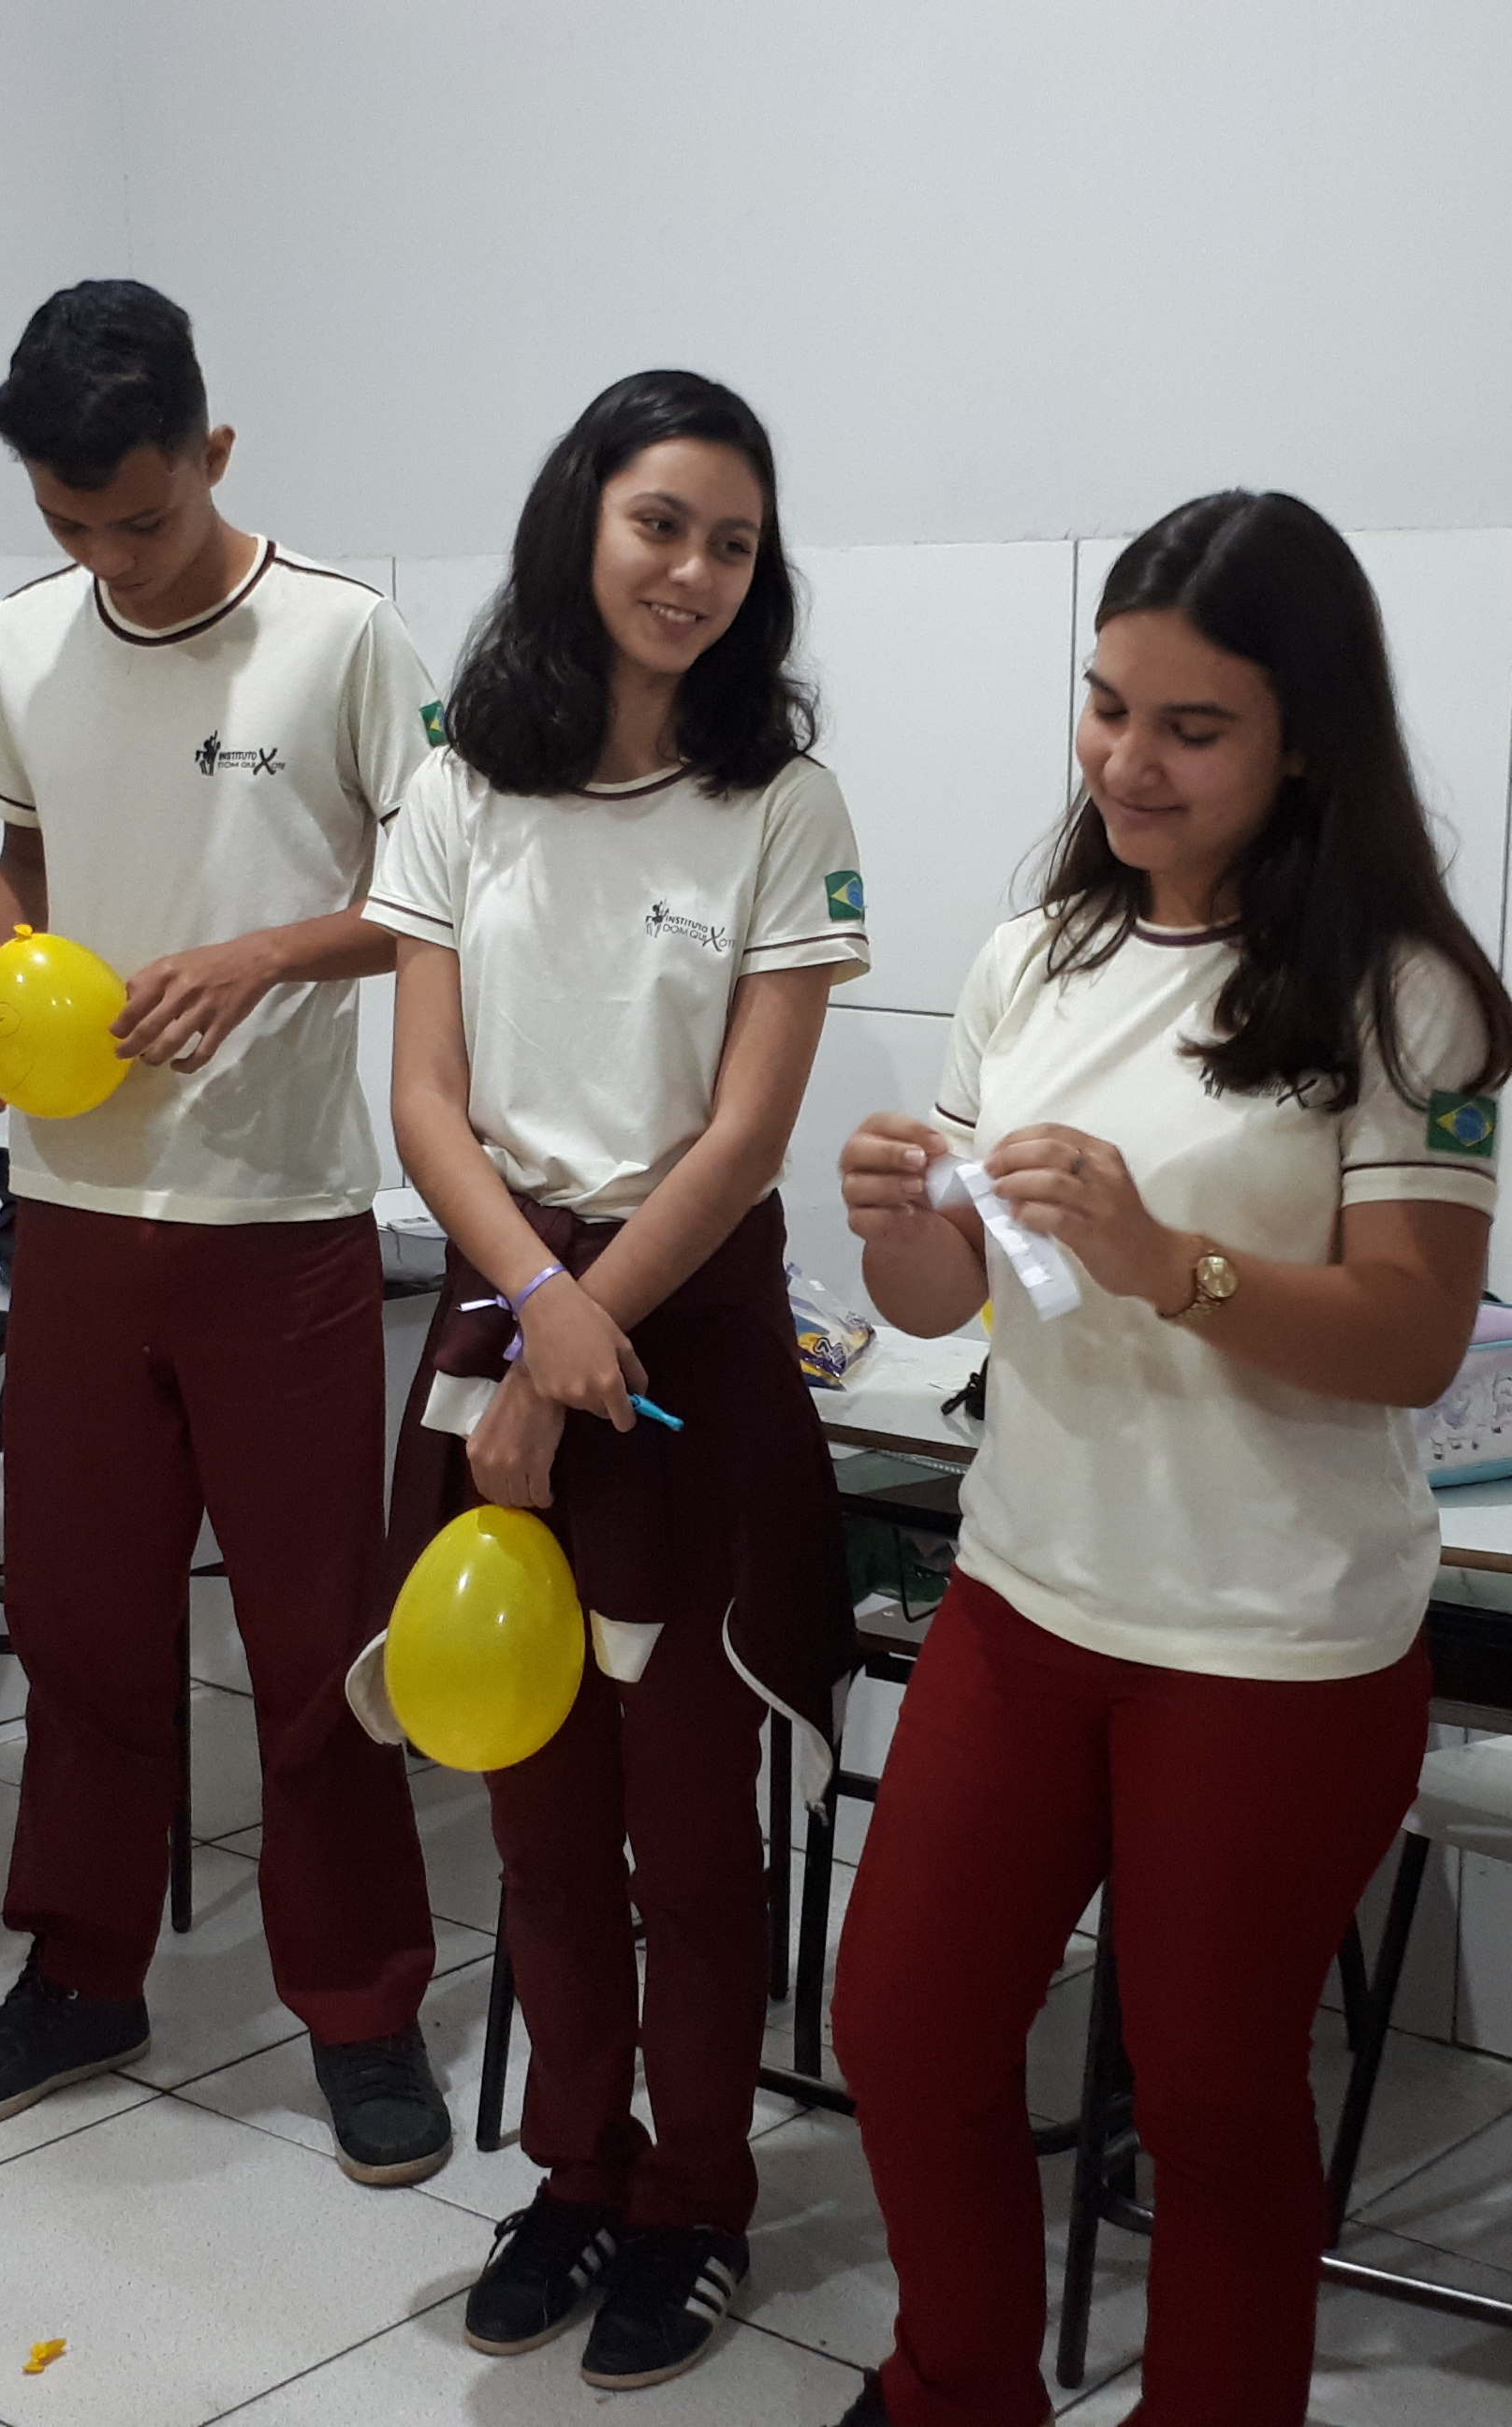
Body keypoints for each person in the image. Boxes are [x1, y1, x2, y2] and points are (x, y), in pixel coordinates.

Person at [821, 492, 1512, 2427]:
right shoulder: (1035, 956)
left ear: (1307, 743)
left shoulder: (1404, 992)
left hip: (1270, 1641)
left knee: (1209, 2103)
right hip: (1031, 1592)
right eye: (1107, 706)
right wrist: (894, 1213)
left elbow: (1417, 1333)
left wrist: (1171, 1263)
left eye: (1191, 728)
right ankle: (958, 2382)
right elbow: (946, 1296)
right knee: (907, 2028)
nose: (1129, 761)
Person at [0, 280, 450, 2182]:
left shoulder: (344, 638)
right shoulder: (23, 638)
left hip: (275, 1219)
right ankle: (81, 1972)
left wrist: (267, 952)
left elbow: (443, 891)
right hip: (70, 1212)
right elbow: (28, 863)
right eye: (68, 526)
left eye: (139, 520)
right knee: (81, 1631)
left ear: (213, 453)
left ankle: (362, 2008)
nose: (109, 562)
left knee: (315, 1643)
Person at [367, 367, 862, 2393]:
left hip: (688, 1337)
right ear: (583, 520)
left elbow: (743, 1137)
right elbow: (425, 1098)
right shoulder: (461, 782)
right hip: (507, 1310)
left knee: (691, 1837)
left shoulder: (784, 803)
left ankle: (697, 2202)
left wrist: (579, 1334)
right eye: (662, 523)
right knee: (542, 1816)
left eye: (734, 543)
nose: (694, 571)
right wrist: (531, 1306)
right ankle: (575, 2175)